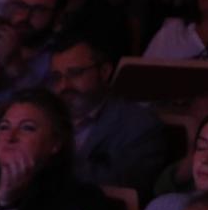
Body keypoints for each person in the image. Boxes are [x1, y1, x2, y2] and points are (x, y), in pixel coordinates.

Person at [47, 34, 174, 198]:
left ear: (105, 71)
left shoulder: (140, 125)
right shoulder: (45, 116)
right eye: (57, 77)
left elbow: (126, 185)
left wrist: (49, 162)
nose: (64, 86)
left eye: (75, 73)